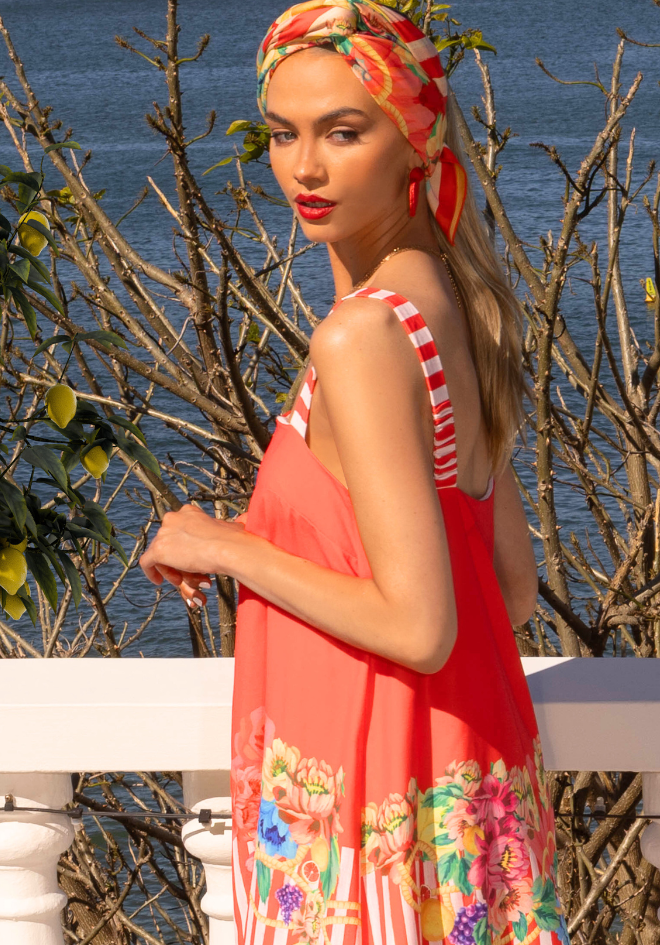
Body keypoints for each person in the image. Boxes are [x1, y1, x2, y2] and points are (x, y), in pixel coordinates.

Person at [140, 2, 570, 943]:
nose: (304, 167)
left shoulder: (364, 335)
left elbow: (418, 627)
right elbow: (512, 588)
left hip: (367, 807)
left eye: (344, 130)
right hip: (461, 795)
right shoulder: (459, 304)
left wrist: (227, 545)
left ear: (415, 144)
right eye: (285, 134)